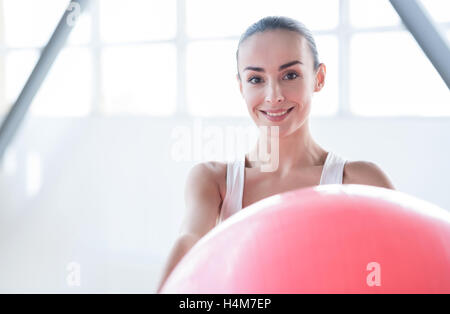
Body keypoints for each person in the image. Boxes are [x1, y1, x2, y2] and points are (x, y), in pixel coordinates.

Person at [156, 16, 395, 293]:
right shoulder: (214, 180)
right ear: (241, 87)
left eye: (290, 75)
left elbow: (397, 263)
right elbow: (190, 241)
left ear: (318, 79)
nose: (274, 95)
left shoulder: (361, 180)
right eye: (256, 79)